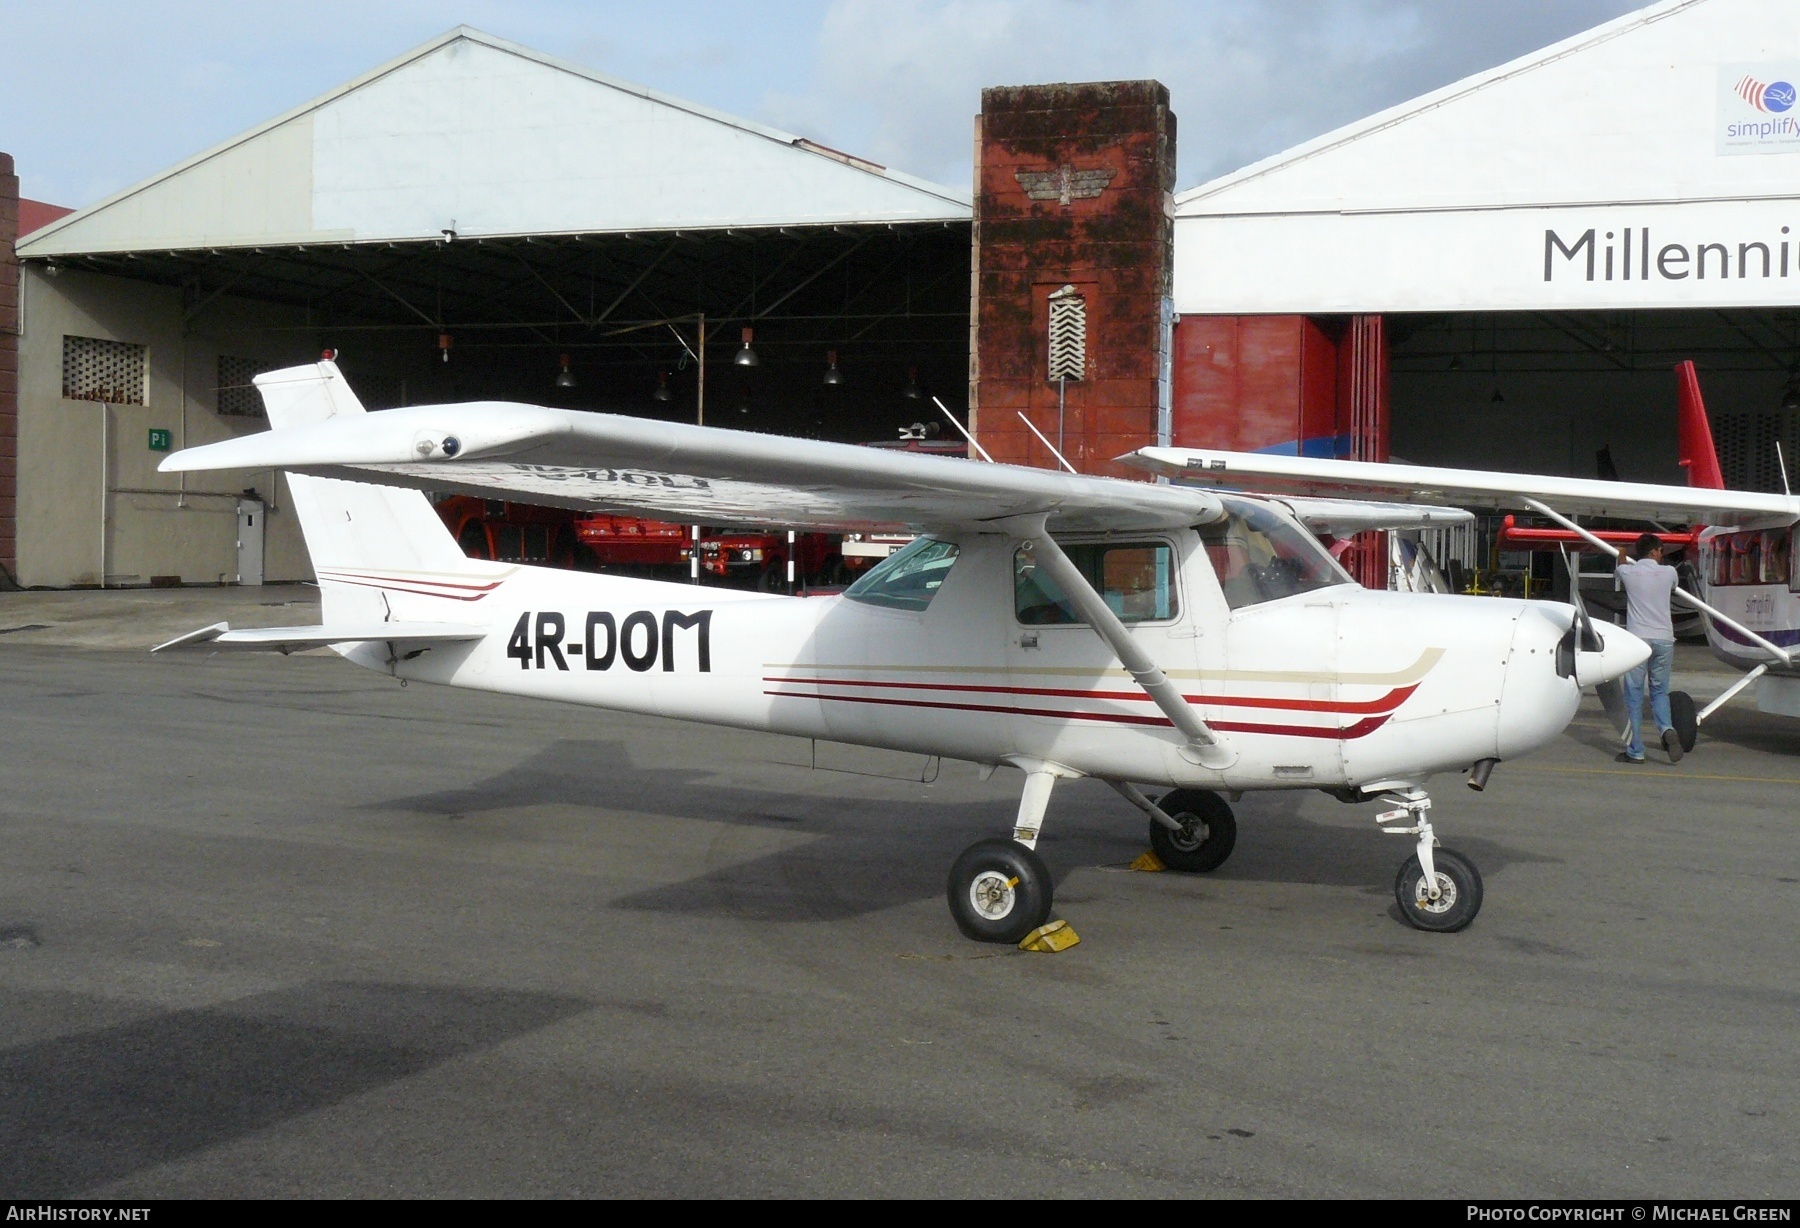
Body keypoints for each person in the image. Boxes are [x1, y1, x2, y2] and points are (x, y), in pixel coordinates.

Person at [1614, 532, 1682, 764]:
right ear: (1653, 552)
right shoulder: (1669, 573)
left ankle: (1636, 751)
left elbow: (1620, 566)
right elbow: (1673, 587)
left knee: (1633, 696)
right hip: (1664, 638)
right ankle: (1666, 729)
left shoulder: (1627, 572)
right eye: (1661, 550)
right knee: (1659, 691)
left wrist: (1622, 553)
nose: (1662, 554)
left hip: (1638, 641)